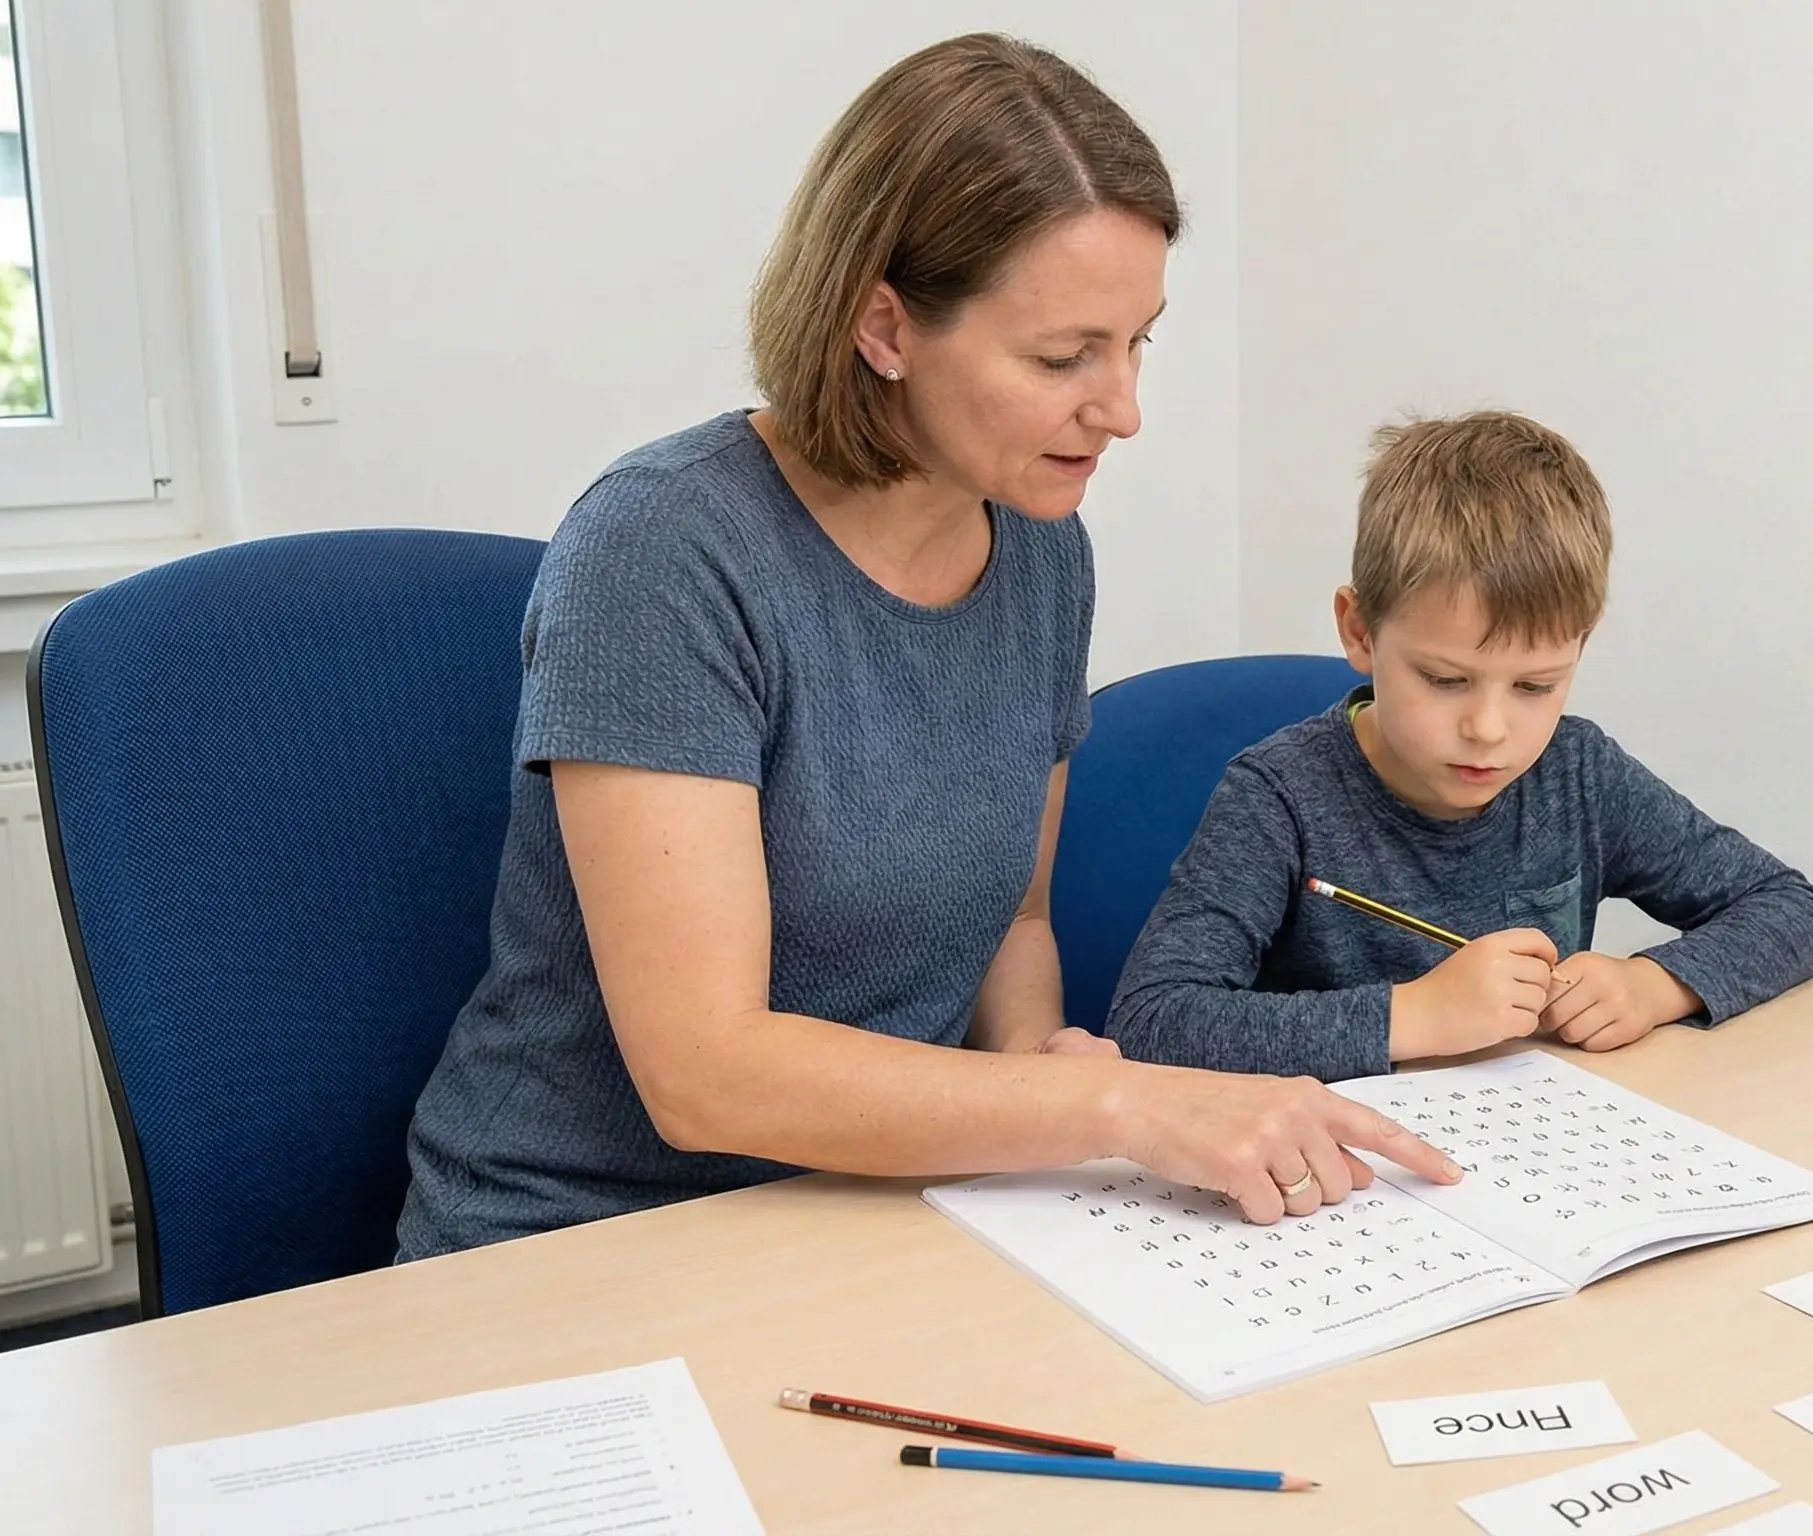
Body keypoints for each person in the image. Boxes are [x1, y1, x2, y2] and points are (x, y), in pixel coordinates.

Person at [396, 35, 1453, 1261]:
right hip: (585, 1235)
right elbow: (705, 1074)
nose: (1121, 409)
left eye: (1137, 341)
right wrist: (1107, 1103)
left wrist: (1033, 1058)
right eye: (1063, 357)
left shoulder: (1042, 546)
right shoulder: (663, 552)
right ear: (883, 326)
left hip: (878, 1210)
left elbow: (1010, 926)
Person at [1105, 410, 1813, 1081]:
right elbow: (1153, 1021)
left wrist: (1654, 985)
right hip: (1338, 1170)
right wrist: (1414, 1015)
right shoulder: (1279, 797)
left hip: (1530, 1151)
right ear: (1360, 632)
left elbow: (1791, 908)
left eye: (1535, 686)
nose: (1490, 729)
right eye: (1446, 679)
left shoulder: (1577, 773)